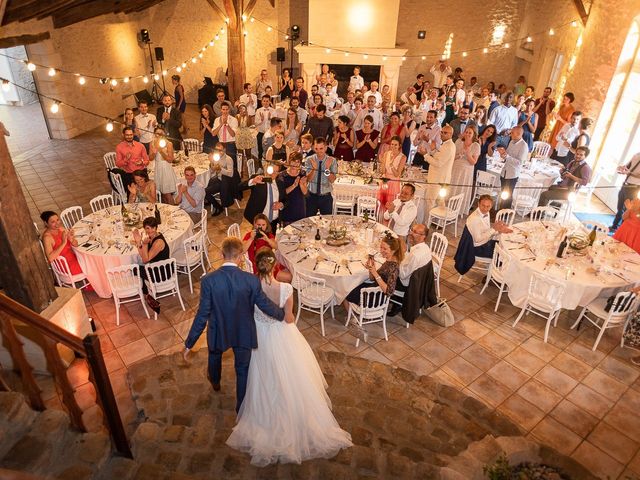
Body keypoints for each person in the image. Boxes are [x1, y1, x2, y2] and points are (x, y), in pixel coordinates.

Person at [226, 247, 352, 466]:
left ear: (257, 265)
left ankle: (264, 417)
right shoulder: (285, 288)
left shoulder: (249, 286)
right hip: (281, 335)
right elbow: (289, 318)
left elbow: (246, 311)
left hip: (258, 337)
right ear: (275, 266)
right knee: (291, 376)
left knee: (262, 377)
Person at [183, 237, 286, 413]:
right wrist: (282, 314)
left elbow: (202, 314)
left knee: (214, 357)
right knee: (242, 369)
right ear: (240, 256)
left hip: (218, 331)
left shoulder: (208, 281)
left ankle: (215, 381)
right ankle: (241, 408)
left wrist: (189, 343)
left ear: (222, 254)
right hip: (242, 331)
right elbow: (264, 304)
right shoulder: (251, 280)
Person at [343, 233, 403, 310]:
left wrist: (375, 273)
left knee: (344, 293)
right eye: (381, 247)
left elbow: (389, 292)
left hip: (375, 297)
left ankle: (353, 318)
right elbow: (372, 279)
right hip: (373, 290)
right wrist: (371, 268)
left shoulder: (394, 267)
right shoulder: (388, 260)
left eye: (385, 249)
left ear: (393, 250)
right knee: (349, 287)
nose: (381, 251)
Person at [132, 216, 170, 313]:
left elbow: (145, 260)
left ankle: (147, 294)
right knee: (137, 268)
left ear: (156, 227)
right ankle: (147, 293)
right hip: (155, 268)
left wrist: (143, 244)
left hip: (162, 272)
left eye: (152, 228)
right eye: (147, 228)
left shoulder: (158, 241)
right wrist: (139, 242)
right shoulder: (151, 237)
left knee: (135, 269)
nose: (150, 230)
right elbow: (143, 254)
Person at [241, 214, 289, 278]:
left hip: (269, 261)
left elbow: (276, 247)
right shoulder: (249, 235)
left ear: (266, 225)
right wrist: (251, 238)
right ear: (255, 224)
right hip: (259, 266)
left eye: (263, 225)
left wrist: (267, 239)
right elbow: (242, 251)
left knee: (288, 269)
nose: (261, 227)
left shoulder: (269, 235)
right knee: (288, 277)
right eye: (258, 225)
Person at [242, 165, 285, 232]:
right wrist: (253, 181)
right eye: (272, 171)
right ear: (266, 169)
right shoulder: (258, 179)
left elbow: (285, 199)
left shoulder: (280, 184)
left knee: (272, 240)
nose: (273, 174)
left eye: (276, 172)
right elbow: (239, 187)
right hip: (260, 222)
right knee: (259, 240)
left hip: (274, 221)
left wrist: (281, 204)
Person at [424, 125, 456, 214]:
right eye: (441, 132)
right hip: (441, 179)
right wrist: (433, 150)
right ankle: (439, 223)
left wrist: (425, 155)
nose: (442, 134)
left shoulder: (448, 146)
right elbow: (439, 157)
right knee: (440, 202)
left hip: (438, 179)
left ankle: (427, 223)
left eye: (445, 133)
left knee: (430, 202)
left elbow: (438, 163)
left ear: (451, 134)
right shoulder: (446, 144)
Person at [40, 210, 83, 275]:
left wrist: (72, 239)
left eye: (57, 220)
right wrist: (63, 243)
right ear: (46, 223)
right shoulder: (47, 237)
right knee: (90, 266)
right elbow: (50, 258)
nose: (57, 223)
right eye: (53, 222)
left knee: (92, 261)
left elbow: (76, 244)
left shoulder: (61, 229)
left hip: (73, 257)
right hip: (64, 266)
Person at [305, 137, 337, 216]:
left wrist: (327, 169)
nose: (319, 151)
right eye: (316, 148)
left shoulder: (332, 160)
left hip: (326, 197)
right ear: (313, 148)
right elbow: (308, 179)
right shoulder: (309, 159)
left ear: (326, 148)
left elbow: (332, 180)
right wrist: (314, 169)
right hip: (311, 196)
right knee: (309, 221)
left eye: (321, 148)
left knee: (326, 222)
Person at [497, 127, 528, 209]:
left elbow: (520, 162)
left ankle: (505, 214)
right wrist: (503, 153)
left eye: (512, 133)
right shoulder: (511, 141)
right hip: (505, 171)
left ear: (518, 134)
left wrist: (507, 156)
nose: (510, 134)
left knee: (508, 195)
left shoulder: (524, 146)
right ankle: (500, 211)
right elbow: (507, 155)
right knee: (503, 194)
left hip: (512, 174)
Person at [451, 126, 480, 212]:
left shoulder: (476, 145)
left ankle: (458, 210)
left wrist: (467, 154)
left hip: (466, 172)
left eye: (470, 133)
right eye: (466, 132)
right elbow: (452, 157)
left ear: (474, 134)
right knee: (452, 187)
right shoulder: (459, 141)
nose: (467, 134)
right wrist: (459, 155)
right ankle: (448, 207)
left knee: (461, 188)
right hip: (455, 168)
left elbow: (473, 162)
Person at [611, 152, 640, 232]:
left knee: (627, 210)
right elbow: (628, 166)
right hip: (625, 183)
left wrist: (629, 173)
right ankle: (614, 226)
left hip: (634, 187)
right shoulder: (637, 154)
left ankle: (622, 230)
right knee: (619, 207)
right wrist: (622, 168)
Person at [149, 127, 177, 204]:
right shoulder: (152, 143)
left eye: (160, 134)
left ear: (164, 134)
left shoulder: (168, 144)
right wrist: (154, 153)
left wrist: (161, 151)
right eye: (157, 134)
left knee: (167, 193)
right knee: (162, 193)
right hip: (158, 168)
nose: (158, 136)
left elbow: (170, 159)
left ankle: (172, 211)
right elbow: (150, 158)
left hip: (166, 169)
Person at [279, 152, 308, 224]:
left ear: (300, 163)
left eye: (297, 162)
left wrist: (301, 185)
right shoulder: (282, 175)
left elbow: (306, 193)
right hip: (287, 208)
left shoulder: (303, 173)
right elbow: (281, 193)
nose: (295, 164)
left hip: (300, 208)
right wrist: (293, 186)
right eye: (293, 161)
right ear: (289, 161)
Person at [377, 136, 406, 206]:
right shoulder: (386, 153)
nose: (393, 146)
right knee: (382, 203)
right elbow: (382, 171)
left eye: (395, 145)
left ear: (399, 146)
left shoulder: (403, 157)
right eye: (392, 144)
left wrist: (391, 165)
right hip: (385, 181)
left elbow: (397, 174)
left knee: (391, 203)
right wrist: (382, 162)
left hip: (394, 182)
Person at [255, 95, 275, 161]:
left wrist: (270, 119)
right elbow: (256, 123)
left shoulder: (273, 111)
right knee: (260, 150)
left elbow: (276, 124)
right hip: (261, 133)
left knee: (271, 150)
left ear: (269, 102)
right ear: (262, 102)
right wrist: (261, 120)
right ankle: (261, 166)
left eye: (267, 101)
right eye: (264, 101)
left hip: (270, 134)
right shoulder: (258, 110)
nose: (266, 102)